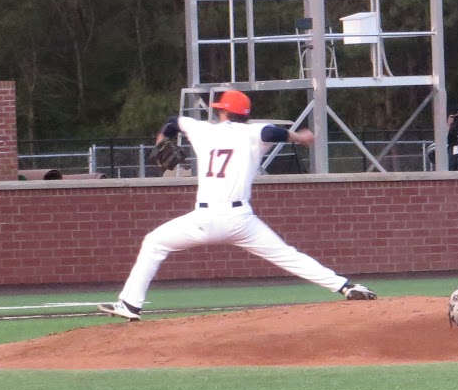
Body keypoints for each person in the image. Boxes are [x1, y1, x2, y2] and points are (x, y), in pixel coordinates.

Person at [97, 90, 377, 320]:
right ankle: (345, 286)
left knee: (154, 243)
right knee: (287, 255)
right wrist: (299, 138)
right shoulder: (253, 132)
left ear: (223, 113)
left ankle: (130, 305)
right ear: (245, 115)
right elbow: (273, 132)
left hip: (203, 219)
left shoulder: (203, 130)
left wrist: (162, 140)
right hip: (241, 220)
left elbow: (172, 121)